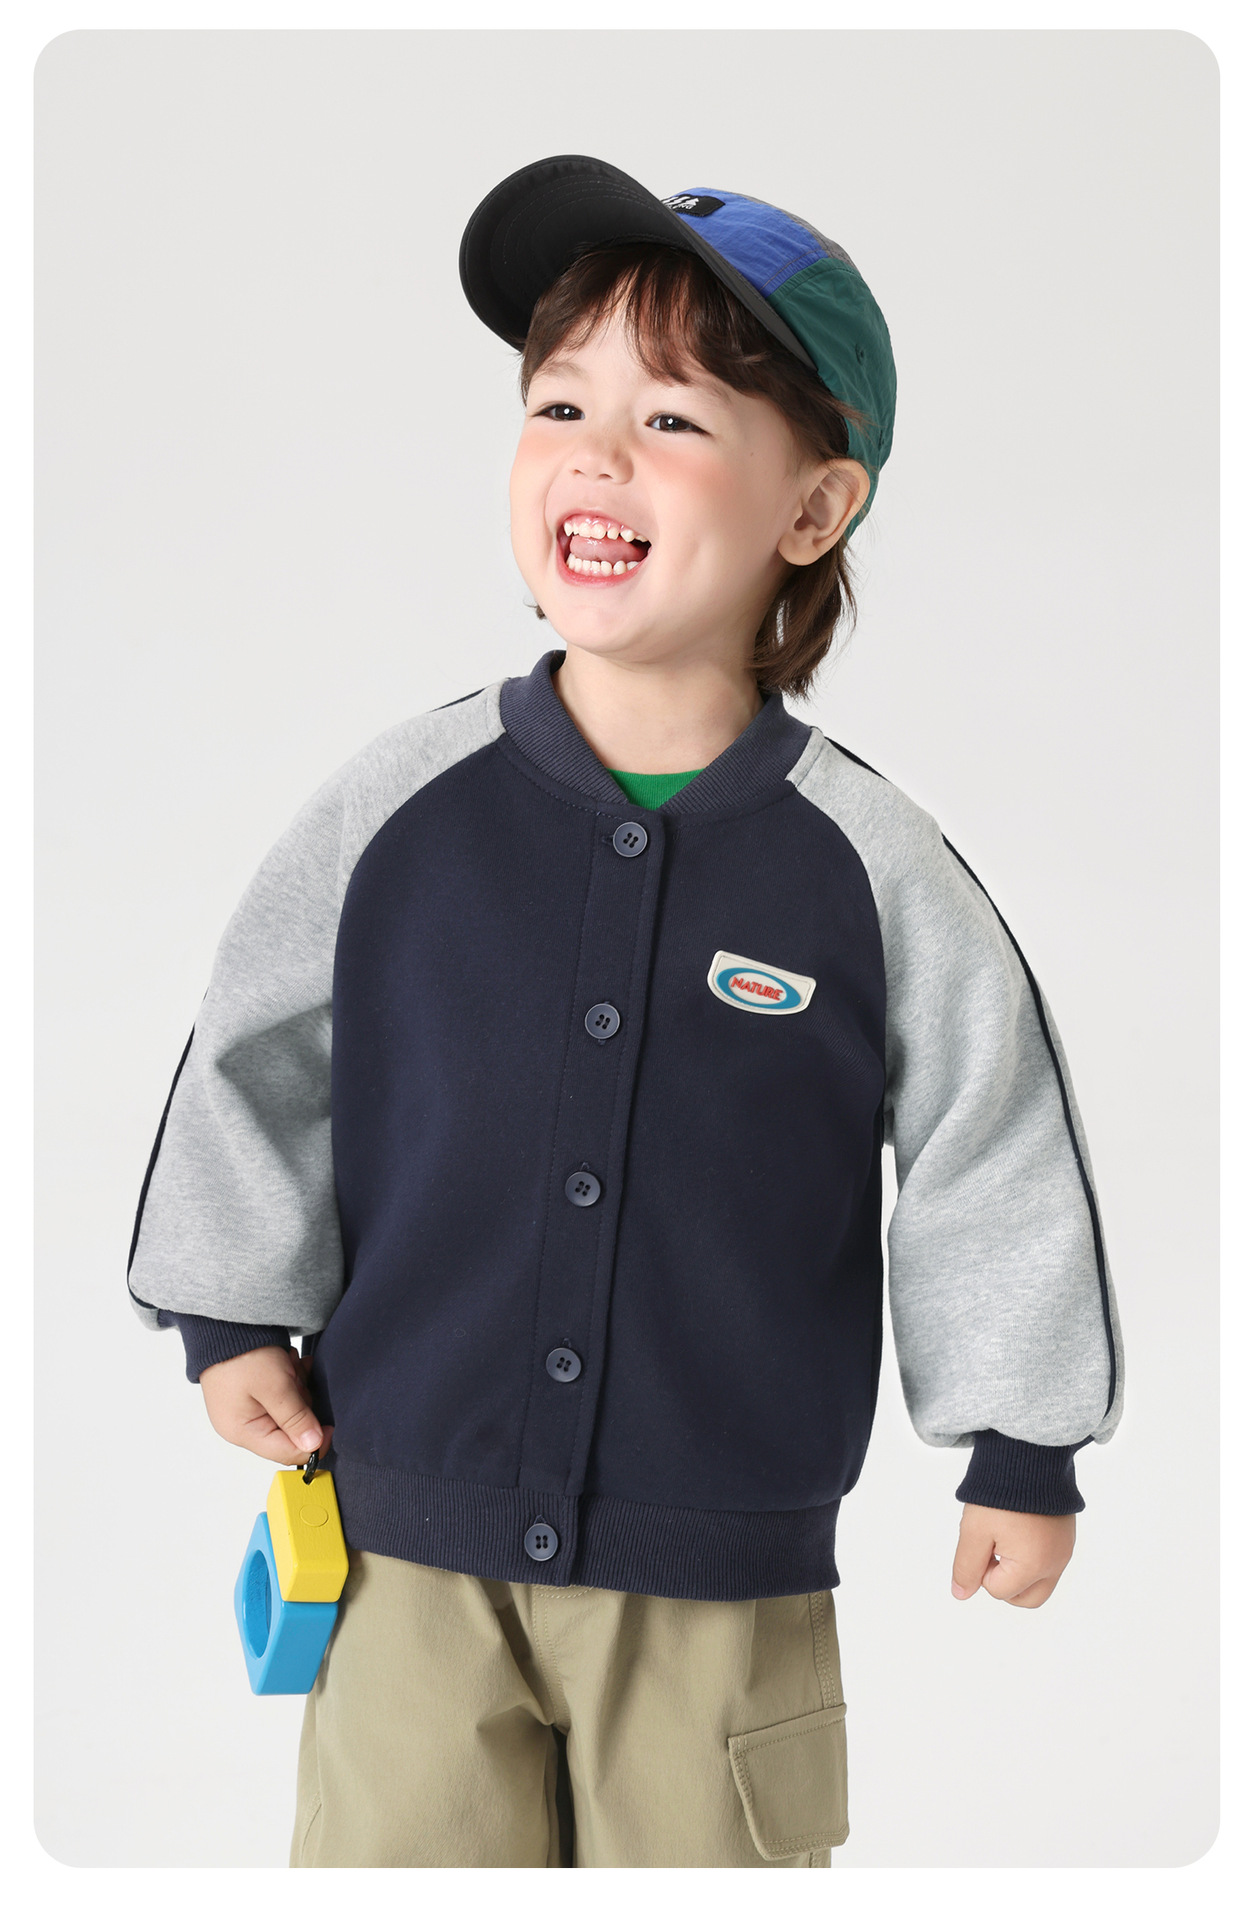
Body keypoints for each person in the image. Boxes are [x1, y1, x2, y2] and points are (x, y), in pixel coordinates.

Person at [127, 154, 1123, 1869]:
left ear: (812, 509)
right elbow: (255, 1053)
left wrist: (1020, 1448)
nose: (595, 454)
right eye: (559, 404)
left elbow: (994, 1140)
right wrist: (230, 1315)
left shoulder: (869, 864)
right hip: (405, 1539)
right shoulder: (397, 805)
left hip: (715, 1578)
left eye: (671, 419)